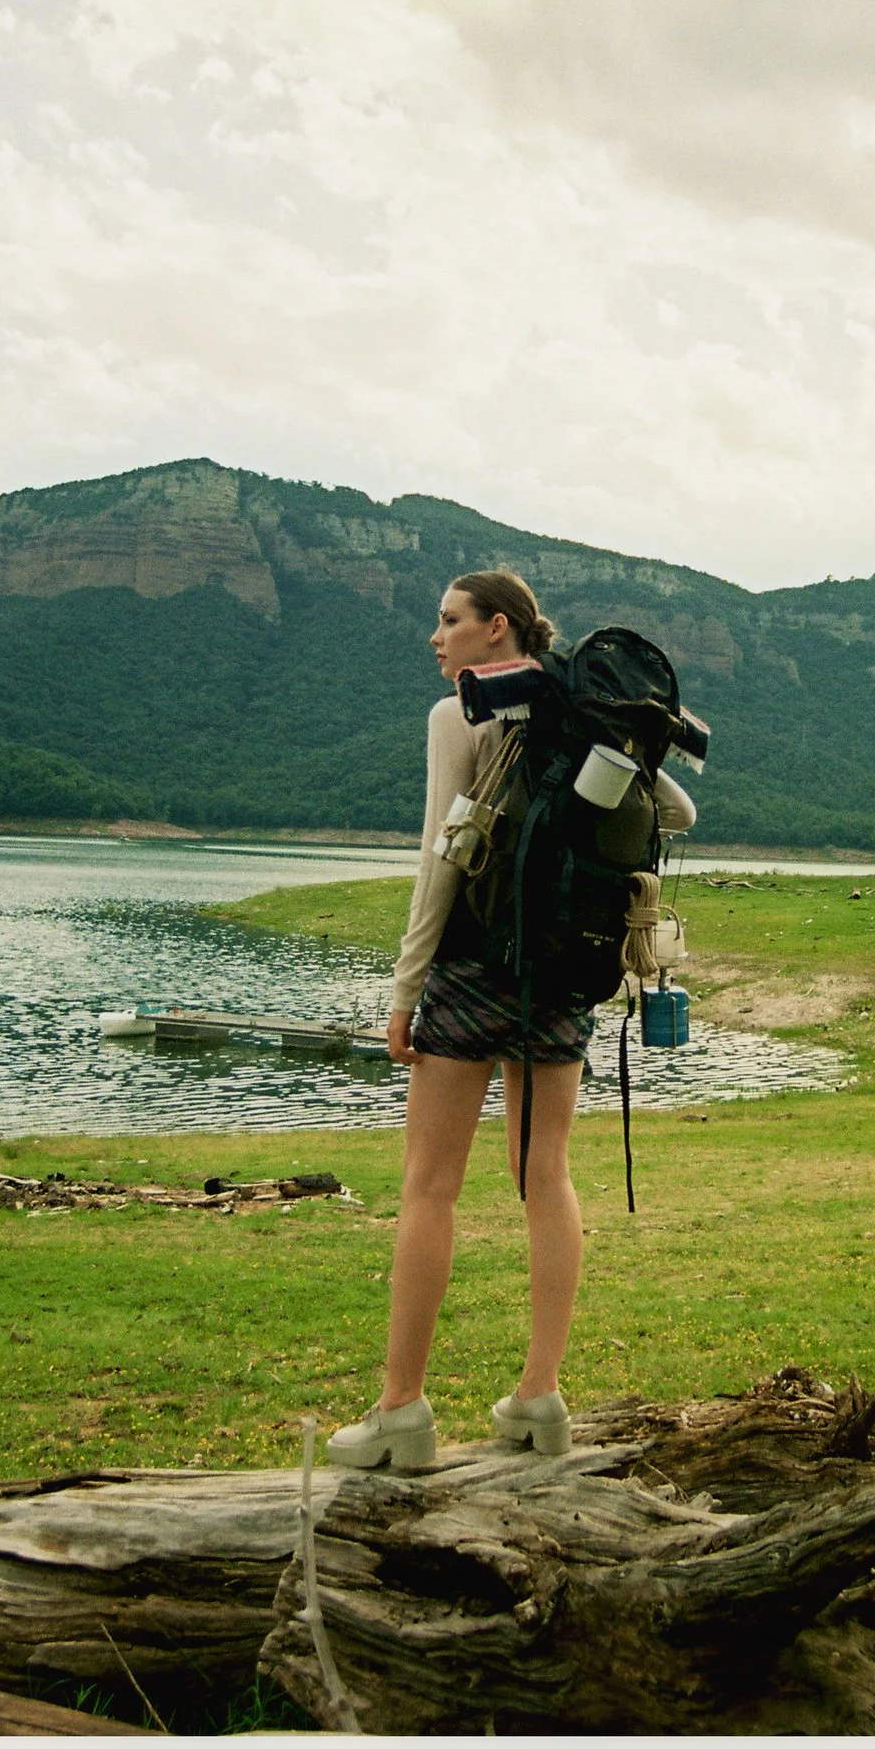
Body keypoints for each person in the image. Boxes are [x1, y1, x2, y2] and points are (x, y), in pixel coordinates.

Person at [326, 570, 695, 1469]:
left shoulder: (458, 715)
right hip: (563, 978)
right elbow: (677, 811)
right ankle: (539, 1394)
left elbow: (436, 860)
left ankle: (402, 1409)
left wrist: (405, 991)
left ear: (498, 629)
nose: (435, 637)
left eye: (448, 620)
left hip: (471, 971)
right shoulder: (585, 715)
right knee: (546, 1179)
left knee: (429, 1186)